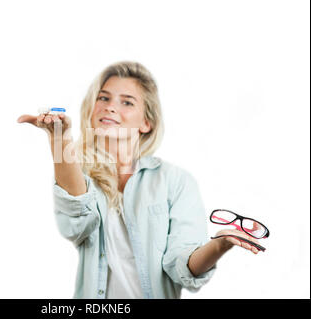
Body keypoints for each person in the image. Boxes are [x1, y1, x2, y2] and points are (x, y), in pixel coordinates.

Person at [17, 61, 261, 299]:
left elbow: (181, 265)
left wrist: (220, 245)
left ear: (146, 123)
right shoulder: (77, 173)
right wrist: (59, 138)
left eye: (127, 102)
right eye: (103, 98)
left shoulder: (175, 181)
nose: (110, 107)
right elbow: (75, 221)